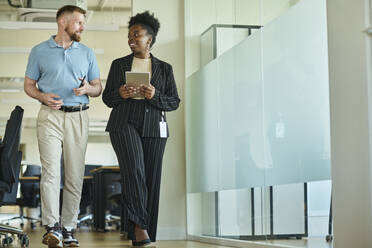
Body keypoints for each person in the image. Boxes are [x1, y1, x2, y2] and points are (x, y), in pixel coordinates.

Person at [24, 5, 102, 248]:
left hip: (78, 116)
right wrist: (42, 96)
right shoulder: (39, 51)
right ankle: (53, 227)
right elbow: (29, 85)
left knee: (75, 175)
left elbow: (97, 87)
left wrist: (87, 89)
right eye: (79, 22)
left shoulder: (87, 52)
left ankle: (69, 228)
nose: (82, 27)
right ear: (63, 22)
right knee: (50, 173)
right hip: (50, 116)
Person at [102, 11, 180, 247]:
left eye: (136, 35)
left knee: (151, 178)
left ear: (150, 39)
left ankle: (144, 230)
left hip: (155, 125)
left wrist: (155, 95)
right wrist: (121, 94)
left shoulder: (165, 68)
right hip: (124, 122)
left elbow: (174, 101)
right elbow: (107, 98)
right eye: (129, 36)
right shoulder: (119, 64)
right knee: (134, 170)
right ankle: (140, 227)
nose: (131, 39)